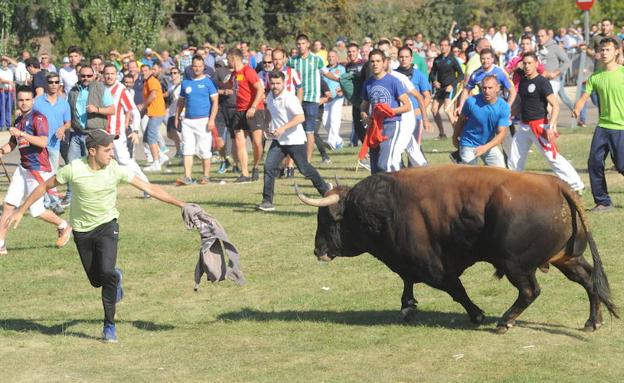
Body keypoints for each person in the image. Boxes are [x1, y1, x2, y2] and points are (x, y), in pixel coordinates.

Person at [9, 129, 186, 342]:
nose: (111, 154)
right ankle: (115, 277)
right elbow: (45, 185)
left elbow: (149, 187)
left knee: (107, 273)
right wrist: (21, 209)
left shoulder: (115, 169)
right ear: (92, 151)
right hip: (83, 232)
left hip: (107, 227)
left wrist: (181, 204)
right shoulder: (74, 169)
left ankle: (109, 326)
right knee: (96, 280)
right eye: (107, 150)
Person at [0, 86, 72, 256]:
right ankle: (1, 244)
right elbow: (13, 143)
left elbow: (42, 142)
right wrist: (2, 151)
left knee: (36, 211)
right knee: (8, 205)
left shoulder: (38, 118)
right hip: (23, 167)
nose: (23, 103)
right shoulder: (18, 120)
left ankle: (63, 225)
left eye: (27, 100)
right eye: (20, 100)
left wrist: (22, 134)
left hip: (38, 169)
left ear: (33, 100)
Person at [508, 53, 584, 193]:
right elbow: (520, 102)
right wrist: (510, 115)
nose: (527, 66)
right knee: (515, 157)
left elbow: (555, 105)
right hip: (524, 126)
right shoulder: (523, 81)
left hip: (539, 126)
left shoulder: (542, 82)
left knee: (552, 157)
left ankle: (576, 185)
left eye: (530, 63)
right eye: (524, 63)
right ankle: (513, 186)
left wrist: (551, 126)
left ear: (537, 64)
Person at [258, 71, 332, 212]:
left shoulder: (289, 98)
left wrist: (283, 128)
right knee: (269, 167)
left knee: (305, 170)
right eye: (272, 83)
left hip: (295, 140)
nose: (275, 86)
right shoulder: (269, 97)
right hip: (279, 141)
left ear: (284, 83)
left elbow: (300, 117)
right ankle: (267, 201)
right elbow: (271, 115)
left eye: (278, 83)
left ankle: (325, 189)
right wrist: (267, 127)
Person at [573, 38, 624, 212]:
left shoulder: (623, 73)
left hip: (621, 128)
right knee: (594, 163)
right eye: (602, 50)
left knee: (621, 165)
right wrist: (578, 108)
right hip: (603, 126)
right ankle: (603, 202)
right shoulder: (595, 77)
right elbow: (584, 96)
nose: (603, 53)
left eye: (608, 49)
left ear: (617, 51)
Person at [63, 65, 115, 207]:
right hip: (76, 133)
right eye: (83, 76)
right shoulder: (73, 91)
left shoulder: (100, 88)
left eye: (88, 76)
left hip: (93, 133)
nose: (85, 78)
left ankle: (95, 196)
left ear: (93, 76)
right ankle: (70, 195)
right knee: (71, 164)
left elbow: (112, 109)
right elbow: (68, 112)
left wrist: (96, 109)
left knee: (93, 166)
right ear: (79, 76)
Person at [360, 49, 411, 174]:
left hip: (391, 124)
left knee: (385, 163)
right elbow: (363, 106)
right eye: (372, 61)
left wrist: (389, 111)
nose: (375, 64)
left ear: (384, 63)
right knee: (375, 168)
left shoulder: (393, 81)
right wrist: (365, 117)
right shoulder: (368, 83)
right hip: (375, 127)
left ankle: (397, 188)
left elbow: (407, 106)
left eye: (378, 61)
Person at [175, 55, 219, 185]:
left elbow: (215, 102)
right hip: (188, 121)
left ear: (203, 67)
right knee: (187, 149)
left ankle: (206, 176)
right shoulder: (186, 83)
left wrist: (212, 120)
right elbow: (181, 102)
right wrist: (177, 117)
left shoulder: (208, 82)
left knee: (204, 149)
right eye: (195, 66)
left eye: (200, 66)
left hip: (203, 120)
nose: (197, 69)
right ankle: (187, 177)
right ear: (191, 66)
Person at [33, 72, 71, 214]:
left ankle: (47, 201)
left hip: (55, 144)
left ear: (59, 84)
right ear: (46, 84)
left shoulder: (64, 103)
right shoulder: (38, 102)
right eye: (51, 82)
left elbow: (68, 122)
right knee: (42, 174)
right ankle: (53, 202)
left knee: (51, 174)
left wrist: (63, 128)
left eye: (56, 82)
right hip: (39, 144)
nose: (54, 85)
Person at [452, 75, 509, 167]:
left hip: (488, 145)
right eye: (484, 88)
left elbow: (501, 134)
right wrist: (454, 138)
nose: (486, 91)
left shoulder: (504, 106)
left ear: (497, 88)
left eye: (490, 88)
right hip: (468, 144)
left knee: (501, 172)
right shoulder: (471, 102)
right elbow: (461, 121)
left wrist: (485, 147)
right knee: (471, 177)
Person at [227, 48, 265, 183]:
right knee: (239, 142)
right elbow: (234, 87)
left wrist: (253, 106)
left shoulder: (248, 71)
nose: (227, 62)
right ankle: (244, 173)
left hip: (254, 110)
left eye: (228, 59)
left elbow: (260, 89)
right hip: (239, 110)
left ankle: (256, 166)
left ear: (233, 58)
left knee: (256, 142)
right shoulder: (234, 75)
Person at [429, 38, 464, 139]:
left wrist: (452, 85)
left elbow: (461, 75)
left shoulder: (452, 59)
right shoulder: (437, 59)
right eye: (441, 45)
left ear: (449, 47)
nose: (443, 47)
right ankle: (442, 134)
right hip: (441, 89)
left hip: (450, 88)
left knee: (447, 110)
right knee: (434, 109)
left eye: (445, 45)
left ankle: (458, 135)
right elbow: (432, 74)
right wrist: (434, 81)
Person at [140, 64, 168, 172]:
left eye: (146, 70)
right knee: (147, 137)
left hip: (157, 113)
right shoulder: (147, 82)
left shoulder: (152, 80)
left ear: (151, 71)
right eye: (142, 71)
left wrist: (143, 106)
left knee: (151, 137)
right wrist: (144, 111)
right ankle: (161, 156)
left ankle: (156, 163)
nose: (144, 72)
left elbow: (153, 96)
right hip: (153, 113)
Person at [0, 56, 14, 130]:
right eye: (3, 61)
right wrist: (7, 81)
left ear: (7, 62)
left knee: (9, 108)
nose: (4, 62)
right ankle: (2, 125)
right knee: (2, 108)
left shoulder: (10, 71)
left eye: (5, 61)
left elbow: (11, 82)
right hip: (2, 90)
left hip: (9, 91)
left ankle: (8, 124)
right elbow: (1, 80)